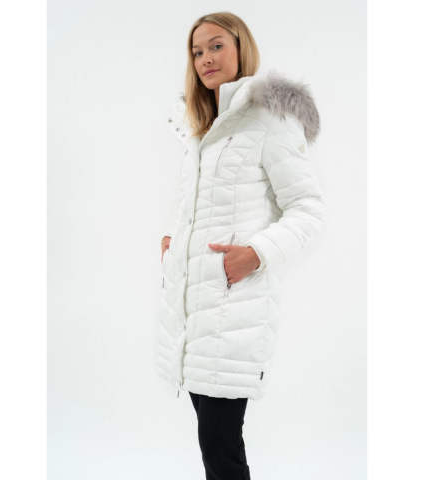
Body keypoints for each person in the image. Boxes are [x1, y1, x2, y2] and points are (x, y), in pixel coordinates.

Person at [157, 12, 326, 480]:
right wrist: (175, 241)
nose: (206, 59)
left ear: (240, 48)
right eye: (197, 52)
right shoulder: (202, 126)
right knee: (217, 447)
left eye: (216, 46)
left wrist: (256, 254)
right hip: (194, 309)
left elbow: (308, 209)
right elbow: (204, 206)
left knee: (220, 450)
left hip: (234, 313)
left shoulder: (270, 118)